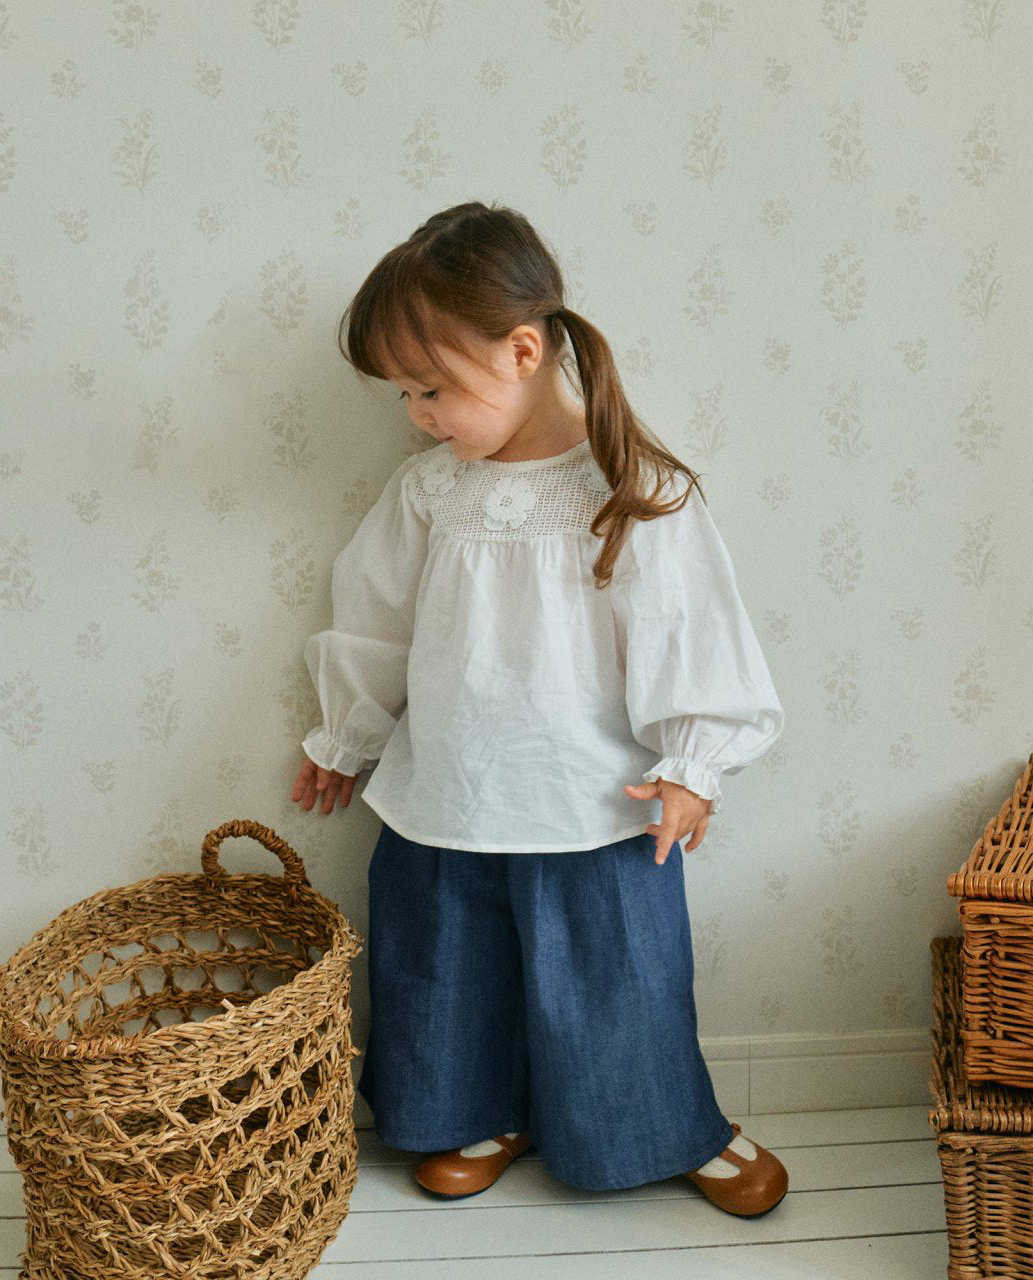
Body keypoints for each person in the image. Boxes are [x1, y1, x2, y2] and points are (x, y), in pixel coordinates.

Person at [288, 200, 788, 1216]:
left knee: (615, 985)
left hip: (593, 801)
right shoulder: (430, 491)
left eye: (431, 389)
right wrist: (347, 735)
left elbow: (693, 634)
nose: (418, 413)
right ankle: (481, 1107)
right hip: (450, 796)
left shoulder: (633, 492)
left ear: (521, 350)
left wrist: (693, 764)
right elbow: (375, 620)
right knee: (445, 972)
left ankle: (664, 1123)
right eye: (404, 395)